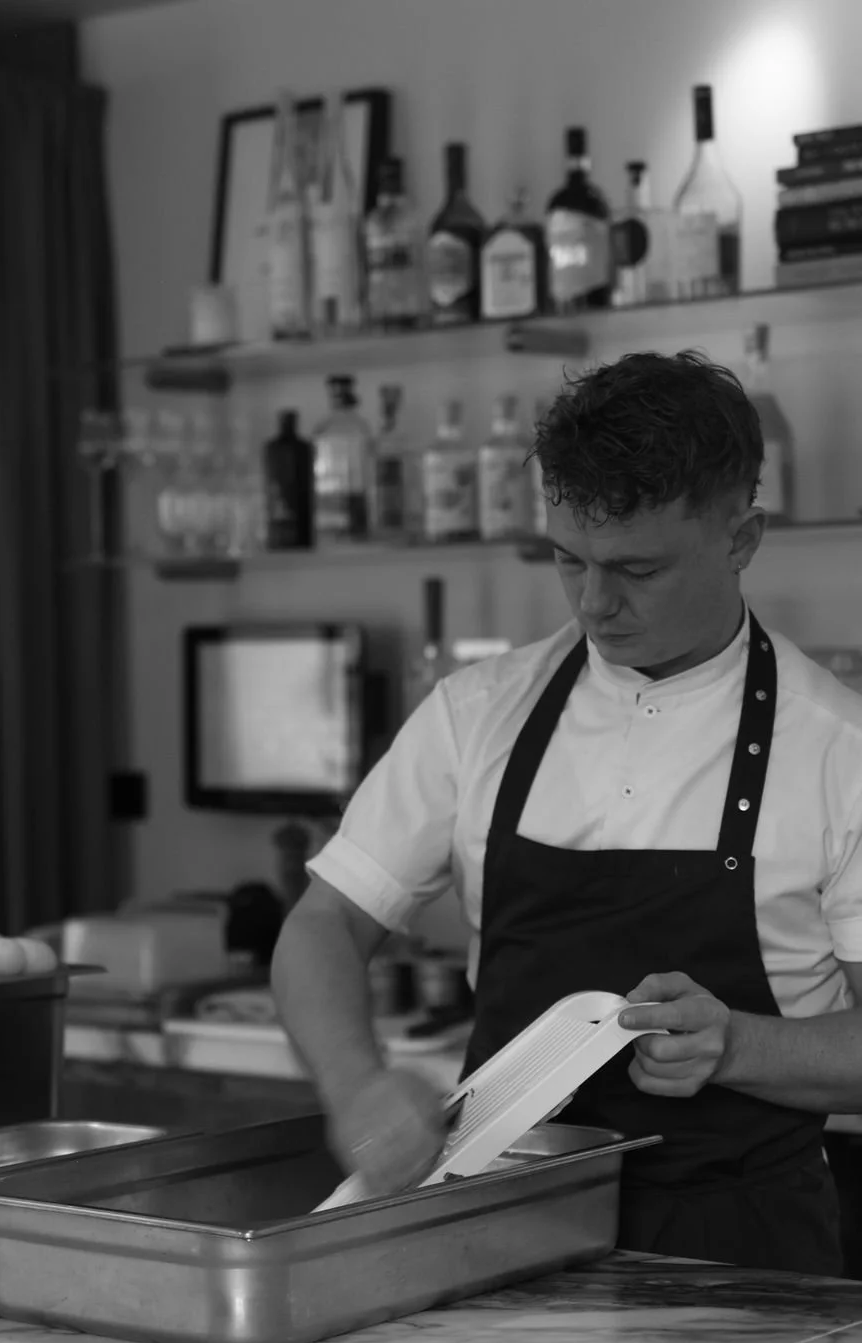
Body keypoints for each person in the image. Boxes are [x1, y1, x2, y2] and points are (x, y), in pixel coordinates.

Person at [271, 349, 862, 1276]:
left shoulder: (838, 747)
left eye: (638, 569)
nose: (595, 604)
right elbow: (323, 925)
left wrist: (740, 1044)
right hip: (493, 1238)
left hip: (738, 1262)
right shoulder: (480, 714)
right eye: (568, 560)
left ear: (742, 538)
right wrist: (357, 1087)